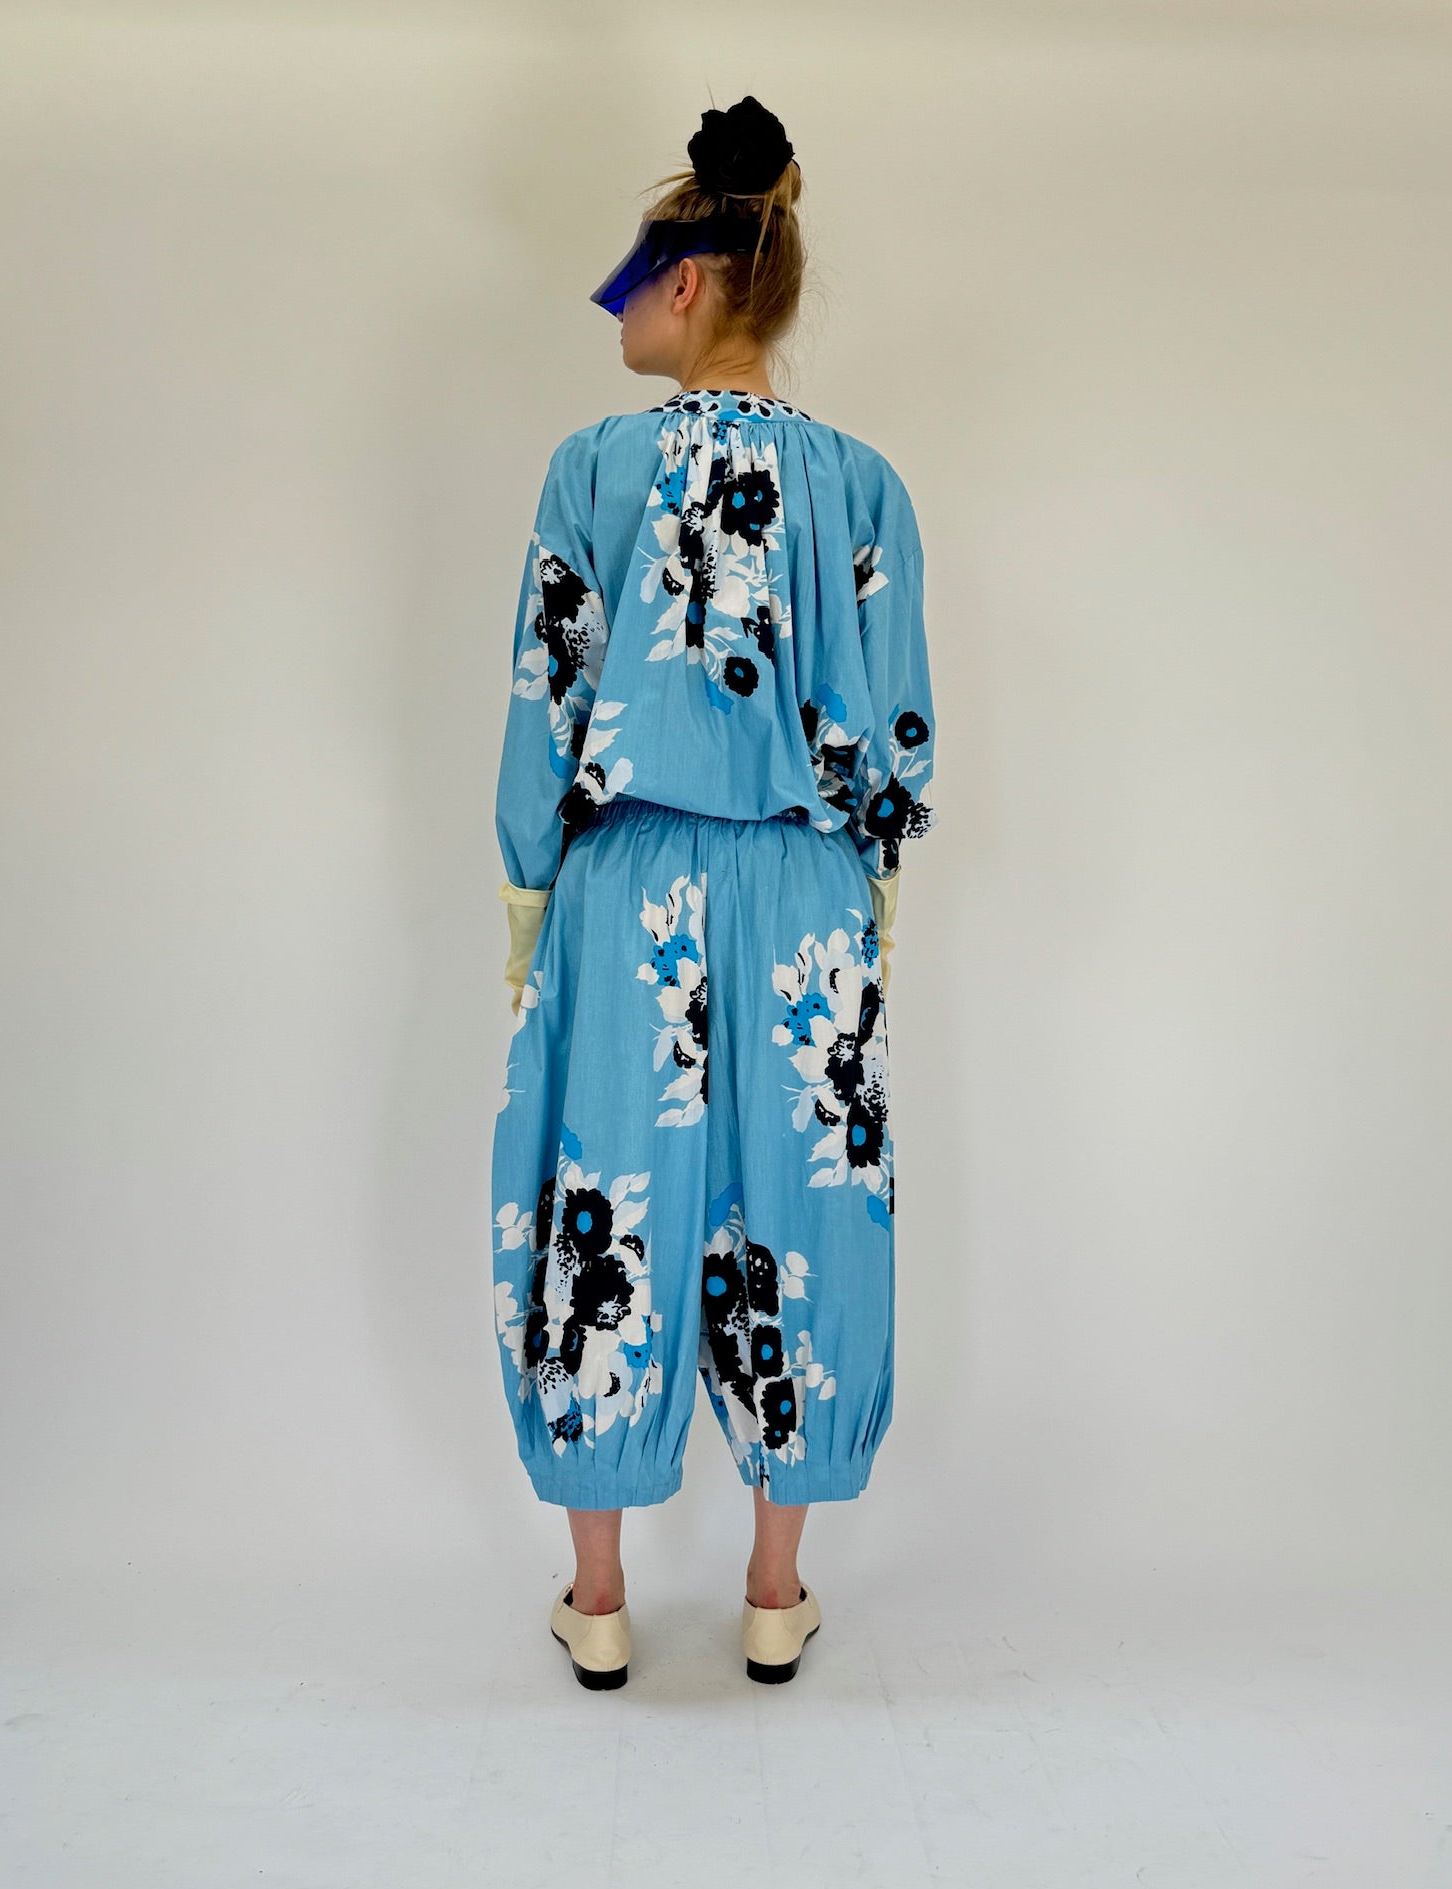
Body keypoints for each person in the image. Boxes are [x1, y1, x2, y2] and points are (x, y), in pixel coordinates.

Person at [490, 95, 937, 1691]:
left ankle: (600, 1597)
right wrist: (871, 894)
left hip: (627, 883)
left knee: (604, 1194)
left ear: (687, 283)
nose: (616, 306)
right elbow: (895, 726)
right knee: (801, 1206)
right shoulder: (865, 487)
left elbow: (549, 700)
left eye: (631, 279)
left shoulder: (592, 471)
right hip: (808, 890)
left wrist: (531, 897)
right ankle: (772, 1588)